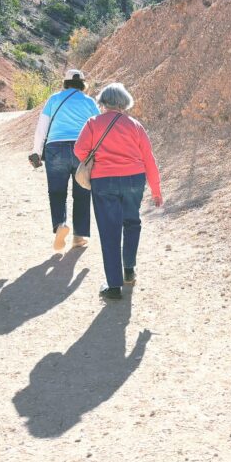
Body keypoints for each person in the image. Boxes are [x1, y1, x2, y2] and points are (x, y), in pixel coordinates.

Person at [74, 83, 162, 300]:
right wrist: (156, 190)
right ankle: (129, 270)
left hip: (104, 181)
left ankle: (114, 286)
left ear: (103, 102)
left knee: (109, 230)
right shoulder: (135, 125)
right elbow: (148, 158)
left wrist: (99, 157)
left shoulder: (93, 123)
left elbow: (79, 150)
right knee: (132, 222)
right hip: (134, 179)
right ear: (124, 102)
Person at [30, 69, 100, 251]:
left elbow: (41, 128)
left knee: (56, 192)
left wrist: (36, 151)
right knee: (82, 192)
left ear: (65, 83)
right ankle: (79, 236)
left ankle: (60, 225)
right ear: (82, 84)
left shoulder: (54, 99)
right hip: (81, 149)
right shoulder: (89, 102)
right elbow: (99, 128)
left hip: (55, 148)